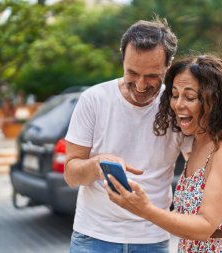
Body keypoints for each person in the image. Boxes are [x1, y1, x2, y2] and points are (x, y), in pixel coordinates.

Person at [105, 55, 222, 252]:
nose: (178, 105)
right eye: (175, 95)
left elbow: (205, 226)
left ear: (216, 101)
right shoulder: (198, 141)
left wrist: (145, 210)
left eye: (190, 97)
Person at [64, 18, 193, 253]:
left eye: (152, 76)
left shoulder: (177, 106)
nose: (141, 85)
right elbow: (71, 175)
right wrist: (98, 165)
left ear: (168, 65)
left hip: (152, 238)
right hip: (93, 236)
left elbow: (203, 168)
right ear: (122, 58)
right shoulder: (93, 100)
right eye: (132, 73)